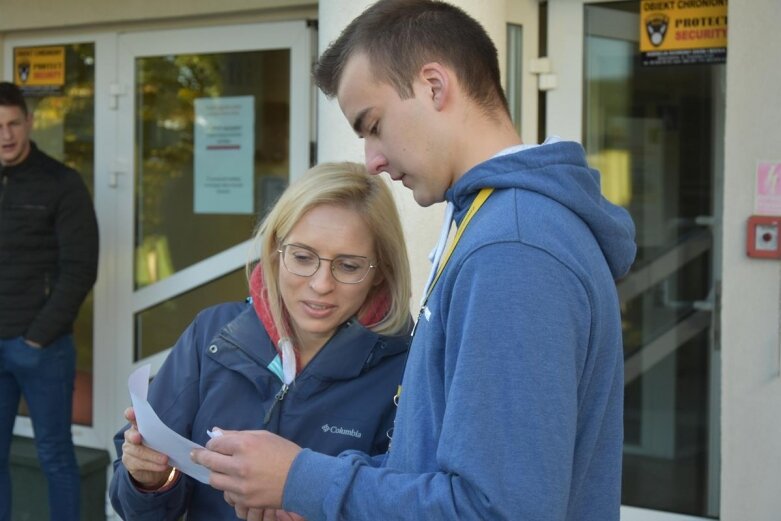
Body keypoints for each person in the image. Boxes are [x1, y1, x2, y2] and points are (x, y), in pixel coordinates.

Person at [192, 1, 637, 520]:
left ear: (433, 86)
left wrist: (304, 479)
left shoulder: (512, 250)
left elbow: (494, 511)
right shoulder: (494, 225)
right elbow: (436, 467)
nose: (372, 161)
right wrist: (306, 486)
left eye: (374, 125)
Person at [109, 161, 412, 520]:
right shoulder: (212, 333)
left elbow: (411, 503)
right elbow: (136, 508)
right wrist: (150, 481)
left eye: (348, 266)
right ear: (275, 250)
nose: (321, 284)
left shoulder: (405, 368)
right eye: (302, 257)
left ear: (380, 273)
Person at [0, 81, 99, 521]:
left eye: (13, 123)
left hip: (42, 349)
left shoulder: (62, 183)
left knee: (56, 458)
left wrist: (37, 338)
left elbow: (81, 268)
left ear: (29, 123)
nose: (5, 135)